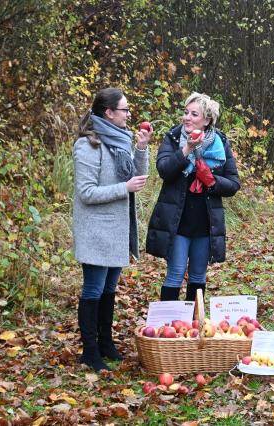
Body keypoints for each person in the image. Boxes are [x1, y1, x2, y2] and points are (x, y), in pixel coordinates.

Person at [72, 87, 151, 372]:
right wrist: (124, 189)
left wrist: (141, 148)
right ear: (109, 112)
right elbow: (86, 192)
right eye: (125, 110)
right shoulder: (89, 145)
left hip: (117, 228)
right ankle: (89, 350)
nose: (129, 115)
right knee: (93, 289)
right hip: (96, 229)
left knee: (109, 288)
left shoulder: (118, 140)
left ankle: (106, 343)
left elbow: (136, 177)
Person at [146, 92, 240, 301]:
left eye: (193, 114)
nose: (187, 117)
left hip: (206, 224)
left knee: (198, 276)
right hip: (177, 222)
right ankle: (169, 327)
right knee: (175, 274)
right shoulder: (173, 138)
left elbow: (233, 184)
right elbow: (164, 169)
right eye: (185, 112)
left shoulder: (220, 143)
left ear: (207, 120)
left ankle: (192, 327)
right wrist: (187, 148)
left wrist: (213, 181)